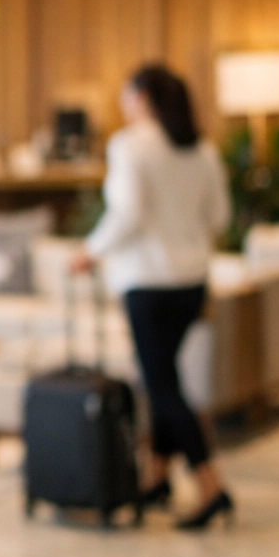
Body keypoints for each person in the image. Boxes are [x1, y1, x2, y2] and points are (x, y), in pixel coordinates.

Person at [72, 65, 233, 530]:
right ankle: (156, 475)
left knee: (162, 387)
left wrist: (89, 251)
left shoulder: (131, 147)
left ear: (141, 97)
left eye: (125, 95)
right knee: (164, 377)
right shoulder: (203, 150)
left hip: (147, 283)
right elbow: (219, 217)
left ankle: (210, 486)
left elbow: (126, 215)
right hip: (192, 281)